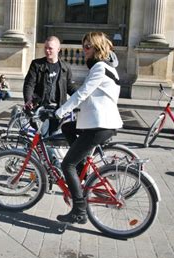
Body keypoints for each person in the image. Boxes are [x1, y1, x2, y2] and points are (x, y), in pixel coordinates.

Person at [54, 32, 123, 224]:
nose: (83, 51)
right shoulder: (108, 67)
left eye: (87, 47)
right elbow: (93, 96)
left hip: (99, 125)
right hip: (100, 121)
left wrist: (58, 112)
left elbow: (83, 94)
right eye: (83, 46)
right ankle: (82, 168)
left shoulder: (100, 68)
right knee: (68, 128)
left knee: (67, 164)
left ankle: (79, 210)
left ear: (97, 48)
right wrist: (68, 112)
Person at [23, 35, 76, 133]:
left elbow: (69, 86)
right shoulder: (37, 65)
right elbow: (29, 84)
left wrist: (80, 96)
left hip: (58, 109)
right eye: (46, 48)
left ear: (58, 49)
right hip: (40, 108)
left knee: (53, 138)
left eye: (50, 48)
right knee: (42, 137)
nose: (47, 51)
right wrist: (28, 100)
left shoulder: (65, 67)